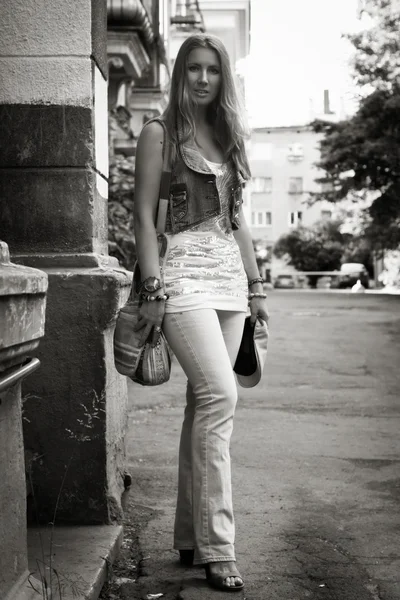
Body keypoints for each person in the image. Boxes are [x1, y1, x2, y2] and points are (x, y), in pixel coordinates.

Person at [133, 33, 269, 593]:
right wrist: (153, 287)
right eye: (194, 69)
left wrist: (257, 289)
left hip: (230, 285)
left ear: (223, 76)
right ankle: (219, 546)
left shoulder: (230, 137)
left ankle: (189, 538)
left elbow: (237, 221)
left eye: (213, 70)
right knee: (220, 394)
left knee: (200, 407)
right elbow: (143, 217)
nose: (204, 79)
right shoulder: (158, 134)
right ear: (180, 73)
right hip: (184, 278)